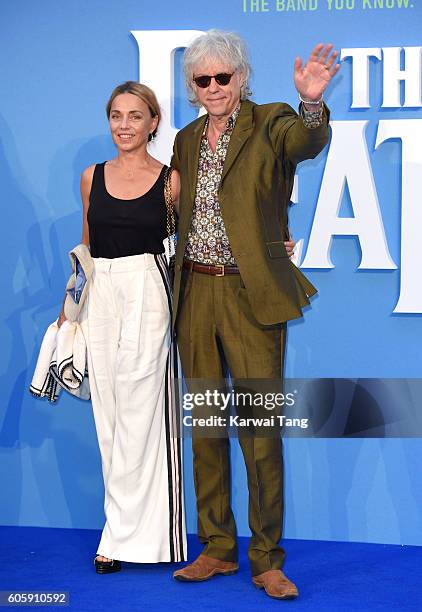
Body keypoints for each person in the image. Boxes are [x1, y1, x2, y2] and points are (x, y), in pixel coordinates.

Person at [170, 30, 339, 599]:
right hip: (195, 293)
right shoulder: (186, 139)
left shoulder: (271, 121)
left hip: (250, 296)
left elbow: (306, 143)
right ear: (192, 87)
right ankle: (217, 549)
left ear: (242, 77)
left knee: (260, 431)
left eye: (224, 76)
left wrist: (311, 102)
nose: (214, 87)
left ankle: (266, 557)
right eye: (203, 79)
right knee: (207, 431)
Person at [57, 81, 187, 573]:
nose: (125, 125)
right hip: (101, 295)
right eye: (116, 115)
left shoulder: (170, 182)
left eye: (136, 116)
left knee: (143, 417)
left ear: (153, 122)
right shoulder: (92, 177)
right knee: (108, 416)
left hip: (149, 292)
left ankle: (139, 539)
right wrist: (69, 306)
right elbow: (86, 247)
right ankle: (117, 533)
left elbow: (179, 250)